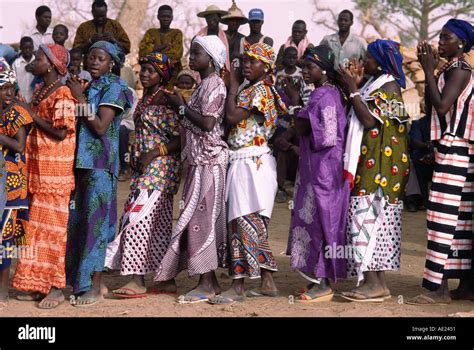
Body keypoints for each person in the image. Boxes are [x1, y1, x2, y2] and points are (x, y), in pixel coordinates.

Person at [209, 42, 286, 305]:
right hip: (249, 162)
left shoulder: (260, 91)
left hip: (251, 164)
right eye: (244, 61)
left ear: (267, 67)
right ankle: (267, 282)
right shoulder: (253, 89)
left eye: (253, 62)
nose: (247, 66)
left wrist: (231, 86)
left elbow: (231, 117)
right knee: (252, 223)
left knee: (242, 223)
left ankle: (238, 286)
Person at [156, 36, 229, 304]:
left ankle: (207, 283)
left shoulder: (215, 85)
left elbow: (208, 124)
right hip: (199, 162)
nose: (191, 55)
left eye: (196, 52)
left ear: (210, 58)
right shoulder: (203, 85)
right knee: (197, 221)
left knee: (202, 223)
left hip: (210, 162)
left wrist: (181, 107)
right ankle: (211, 281)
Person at [407, 19, 474, 306]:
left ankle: (438, 289)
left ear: (461, 43)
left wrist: (426, 69)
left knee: (441, 220)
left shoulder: (460, 69)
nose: (440, 41)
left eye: (446, 37)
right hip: (455, 150)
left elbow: (442, 105)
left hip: (456, 150)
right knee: (460, 222)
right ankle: (466, 287)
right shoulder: (451, 69)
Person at [106, 52, 181, 298]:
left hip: (161, 167)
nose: (144, 74)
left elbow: (182, 137)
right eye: (143, 70)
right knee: (157, 223)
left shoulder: (167, 99)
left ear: (162, 75)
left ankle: (137, 280)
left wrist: (154, 153)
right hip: (146, 168)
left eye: (151, 71)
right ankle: (166, 279)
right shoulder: (146, 98)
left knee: (135, 217)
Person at [340, 39, 410, 302]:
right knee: (372, 221)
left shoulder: (389, 86)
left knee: (366, 220)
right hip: (372, 163)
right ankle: (376, 283)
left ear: (380, 61)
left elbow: (369, 122)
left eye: (368, 58)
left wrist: (352, 89)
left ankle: (373, 283)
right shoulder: (375, 83)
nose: (364, 61)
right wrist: (356, 88)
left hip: (380, 168)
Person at [65, 41, 133, 307]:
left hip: (101, 166)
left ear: (111, 63)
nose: (93, 61)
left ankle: (92, 286)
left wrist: (80, 100)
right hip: (82, 164)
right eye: (91, 57)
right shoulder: (89, 86)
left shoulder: (114, 88)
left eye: (100, 58)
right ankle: (84, 283)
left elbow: (100, 127)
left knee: (96, 226)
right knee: (79, 224)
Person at [12, 44, 76, 309]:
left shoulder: (63, 93)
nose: (34, 62)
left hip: (56, 173)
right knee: (37, 230)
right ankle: (38, 284)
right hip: (38, 170)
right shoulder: (41, 90)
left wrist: (29, 115)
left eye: (38, 58)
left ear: (50, 64)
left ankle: (56, 287)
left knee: (54, 231)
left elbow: (61, 132)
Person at [286, 46, 349, 302]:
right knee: (315, 221)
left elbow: (328, 135)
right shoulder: (322, 93)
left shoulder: (325, 95)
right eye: (304, 68)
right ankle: (318, 278)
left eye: (310, 67)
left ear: (324, 69)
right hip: (317, 170)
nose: (305, 72)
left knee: (323, 222)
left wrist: (295, 109)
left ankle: (323, 283)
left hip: (325, 172)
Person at [0, 58, 33, 310]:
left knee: (6, 239)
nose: (9, 93)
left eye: (11, 87)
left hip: (11, 185)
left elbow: (19, 145)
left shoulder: (17, 113)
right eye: (3, 89)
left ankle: (3, 291)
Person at [139, 5, 183, 88]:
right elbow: (142, 52)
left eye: (168, 16)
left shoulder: (177, 33)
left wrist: (153, 50)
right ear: (158, 17)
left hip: (171, 76)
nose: (165, 19)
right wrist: (162, 48)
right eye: (163, 16)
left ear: (172, 17)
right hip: (150, 76)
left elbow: (176, 54)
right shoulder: (151, 32)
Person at [405, 115, 434, 212]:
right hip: (420, 156)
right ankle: (414, 200)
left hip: (440, 154)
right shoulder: (418, 122)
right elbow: (414, 142)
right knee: (413, 161)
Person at [195, 5, 231, 70]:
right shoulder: (199, 38)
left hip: (221, 72)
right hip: (203, 72)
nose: (211, 22)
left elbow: (228, 59)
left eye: (214, 19)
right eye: (209, 19)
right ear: (206, 19)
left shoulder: (226, 38)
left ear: (219, 19)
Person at [13, 37, 35, 103]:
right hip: (20, 98)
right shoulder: (16, 63)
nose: (28, 50)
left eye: (30, 48)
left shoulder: (37, 62)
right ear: (21, 48)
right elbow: (13, 80)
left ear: (33, 48)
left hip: (34, 98)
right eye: (25, 48)